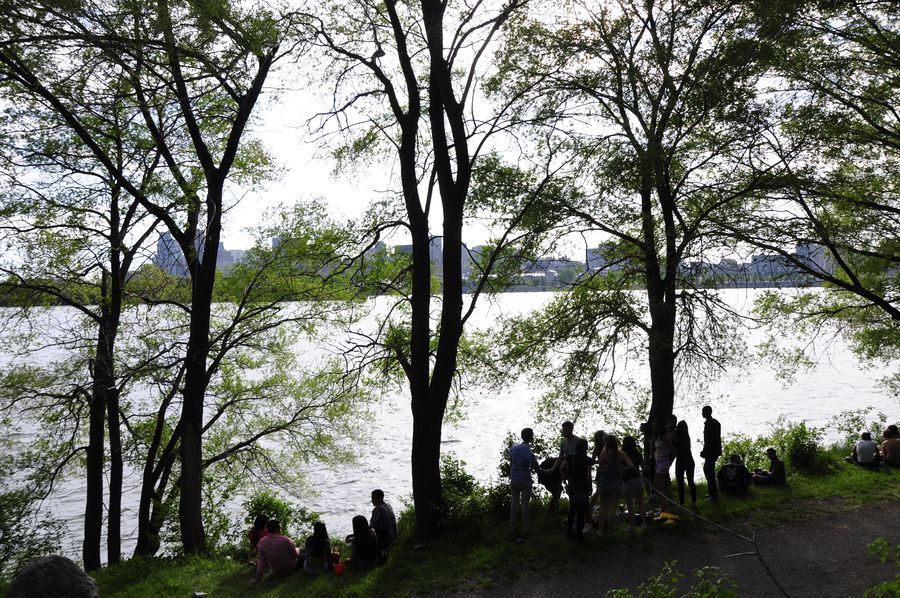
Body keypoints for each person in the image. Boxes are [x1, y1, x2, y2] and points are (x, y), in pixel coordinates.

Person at [508, 427, 545, 540]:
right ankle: (525, 529)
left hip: (514, 480)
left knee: (514, 505)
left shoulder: (513, 448)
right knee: (524, 506)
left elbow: (511, 463)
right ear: (531, 437)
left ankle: (512, 529)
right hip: (524, 481)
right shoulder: (529, 453)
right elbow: (537, 469)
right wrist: (547, 471)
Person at [596, 435, 636, 533]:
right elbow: (631, 465)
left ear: (606, 443)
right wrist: (622, 469)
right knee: (613, 508)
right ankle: (610, 530)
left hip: (605, 482)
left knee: (603, 506)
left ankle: (600, 530)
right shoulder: (620, 453)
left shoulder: (603, 454)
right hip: (617, 482)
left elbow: (600, 469)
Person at [559, 437, 591, 540]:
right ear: (585, 447)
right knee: (581, 510)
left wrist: (565, 480)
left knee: (572, 509)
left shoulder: (570, 457)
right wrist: (590, 487)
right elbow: (588, 475)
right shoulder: (587, 459)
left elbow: (561, 468)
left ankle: (569, 532)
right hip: (582, 486)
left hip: (571, 485)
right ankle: (579, 534)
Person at [548, 421, 582, 516]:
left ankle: (579, 516)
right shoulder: (563, 443)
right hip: (568, 472)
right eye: (563, 430)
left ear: (571, 429)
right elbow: (560, 458)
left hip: (578, 471)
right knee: (571, 494)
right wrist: (553, 469)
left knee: (578, 494)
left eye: (565, 430)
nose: (563, 432)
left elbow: (582, 457)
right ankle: (573, 515)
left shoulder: (578, 441)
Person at [251, 519, 298, 584]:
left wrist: (257, 577)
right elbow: (295, 555)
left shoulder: (261, 543)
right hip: (291, 567)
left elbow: (261, 562)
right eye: (280, 527)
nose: (281, 529)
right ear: (276, 529)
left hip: (277, 570)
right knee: (301, 552)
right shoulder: (286, 540)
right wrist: (298, 550)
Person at [621, 435, 646, 528]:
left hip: (627, 481)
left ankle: (632, 525)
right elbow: (643, 467)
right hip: (638, 479)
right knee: (641, 502)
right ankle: (644, 523)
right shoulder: (638, 454)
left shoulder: (622, 455)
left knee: (630, 504)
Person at [673, 419, 698, 506]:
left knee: (680, 483)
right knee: (691, 481)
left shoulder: (676, 436)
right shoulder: (687, 437)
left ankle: (682, 503)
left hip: (681, 460)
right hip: (690, 460)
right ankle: (694, 502)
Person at [652, 419, 675, 511]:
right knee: (658, 487)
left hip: (663, 463)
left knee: (660, 488)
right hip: (658, 463)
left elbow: (674, 451)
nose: (654, 429)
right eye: (653, 427)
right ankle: (663, 506)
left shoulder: (665, 438)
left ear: (661, 427)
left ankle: (663, 508)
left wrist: (669, 463)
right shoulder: (658, 438)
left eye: (656, 427)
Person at [701, 406, 722, 500]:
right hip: (714, 451)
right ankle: (711, 492)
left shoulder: (709, 424)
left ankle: (713, 495)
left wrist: (705, 451)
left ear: (707, 413)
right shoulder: (716, 423)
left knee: (709, 471)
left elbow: (710, 440)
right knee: (708, 470)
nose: (702, 413)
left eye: (703, 412)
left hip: (711, 452)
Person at [589, 430, 606, 510]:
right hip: (603, 470)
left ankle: (604, 508)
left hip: (605, 469)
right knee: (599, 491)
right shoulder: (598, 447)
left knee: (601, 491)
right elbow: (592, 461)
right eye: (603, 435)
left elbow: (592, 460)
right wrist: (599, 461)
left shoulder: (603, 446)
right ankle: (590, 508)